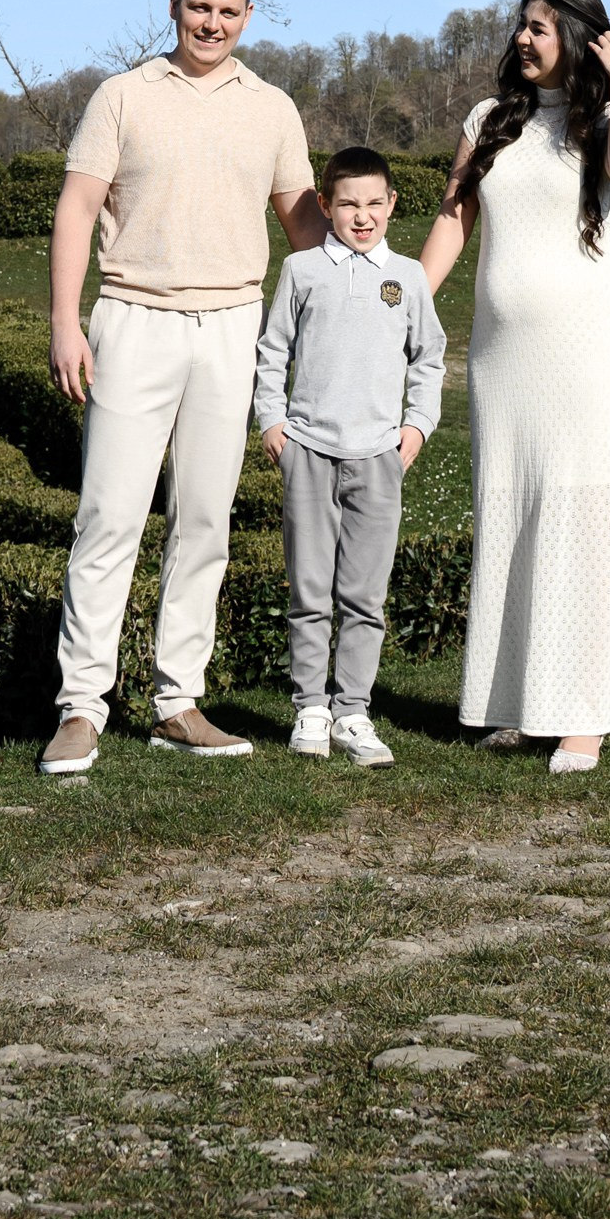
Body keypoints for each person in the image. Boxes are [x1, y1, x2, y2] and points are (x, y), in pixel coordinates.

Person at [40, 0, 324, 776]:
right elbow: (77, 206)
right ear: (175, 4)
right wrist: (67, 321)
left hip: (232, 324)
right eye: (201, 8)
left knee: (204, 520)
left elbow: (303, 224)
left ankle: (177, 702)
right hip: (133, 319)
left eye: (229, 13)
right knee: (109, 518)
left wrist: (358, 297)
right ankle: (81, 708)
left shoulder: (272, 108)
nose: (213, 24)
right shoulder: (121, 96)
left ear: (247, 17)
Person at [419, 0, 610, 773]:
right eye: (522, 26)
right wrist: (409, 303)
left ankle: (585, 713)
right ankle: (523, 700)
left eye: (543, 28)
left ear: (578, 40)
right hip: (500, 357)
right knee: (513, 512)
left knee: (579, 515)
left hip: (584, 351)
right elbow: (455, 216)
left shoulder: (599, 121)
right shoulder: (488, 122)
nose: (524, 39)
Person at [253, 144, 446, 767]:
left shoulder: (409, 277)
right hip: (308, 448)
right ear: (325, 206)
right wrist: (273, 423)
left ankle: (353, 712)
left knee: (365, 596)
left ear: (392, 205)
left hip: (378, 457)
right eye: (347, 204)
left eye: (373, 204)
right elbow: (272, 350)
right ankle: (310, 705)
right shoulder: (302, 271)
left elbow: (429, 359)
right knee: (310, 590)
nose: (361, 217)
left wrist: (414, 429)